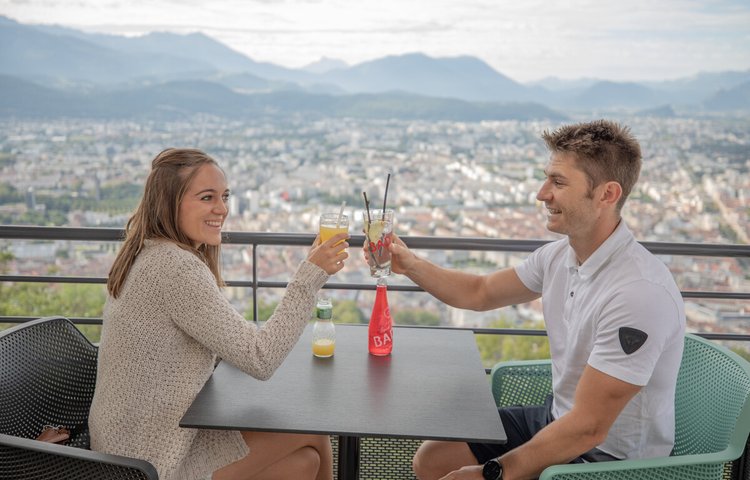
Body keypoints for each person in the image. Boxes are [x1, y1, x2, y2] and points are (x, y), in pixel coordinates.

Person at [385, 120, 686, 480]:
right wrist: (411, 265)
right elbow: (479, 292)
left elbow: (589, 428)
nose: (542, 194)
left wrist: (492, 473)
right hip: (558, 418)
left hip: (610, 459)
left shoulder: (638, 294)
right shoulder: (560, 257)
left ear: (607, 194)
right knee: (433, 459)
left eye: (558, 182)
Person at [89, 148, 349, 480]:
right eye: (207, 197)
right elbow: (260, 358)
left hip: (127, 448)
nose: (222, 209)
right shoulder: (176, 267)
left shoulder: (150, 252)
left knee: (304, 465)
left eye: (224, 196)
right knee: (312, 429)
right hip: (152, 462)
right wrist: (309, 276)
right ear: (170, 202)